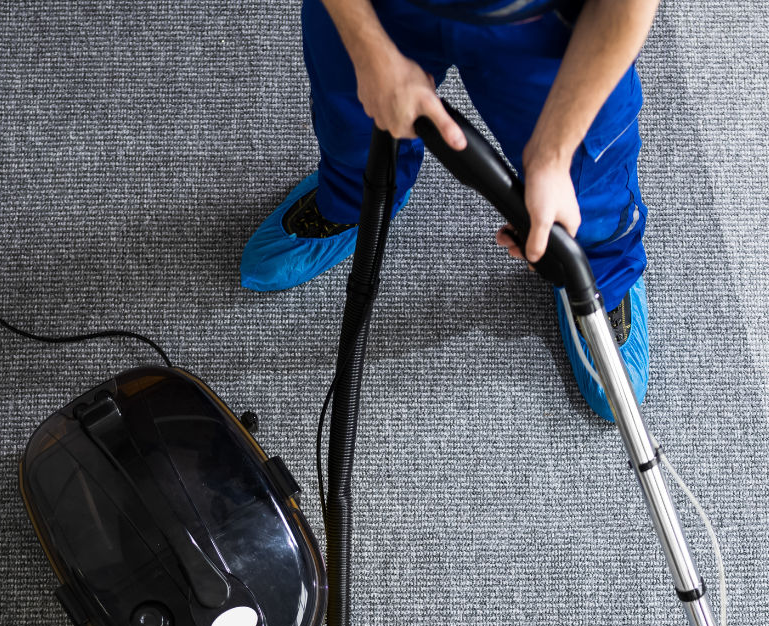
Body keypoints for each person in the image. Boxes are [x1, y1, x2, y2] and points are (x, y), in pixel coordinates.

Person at [240, 0, 658, 421]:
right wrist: (367, 46)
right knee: (355, 127)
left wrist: (552, 153)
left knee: (586, 185)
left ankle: (597, 271)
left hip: (545, 20)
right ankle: (352, 203)